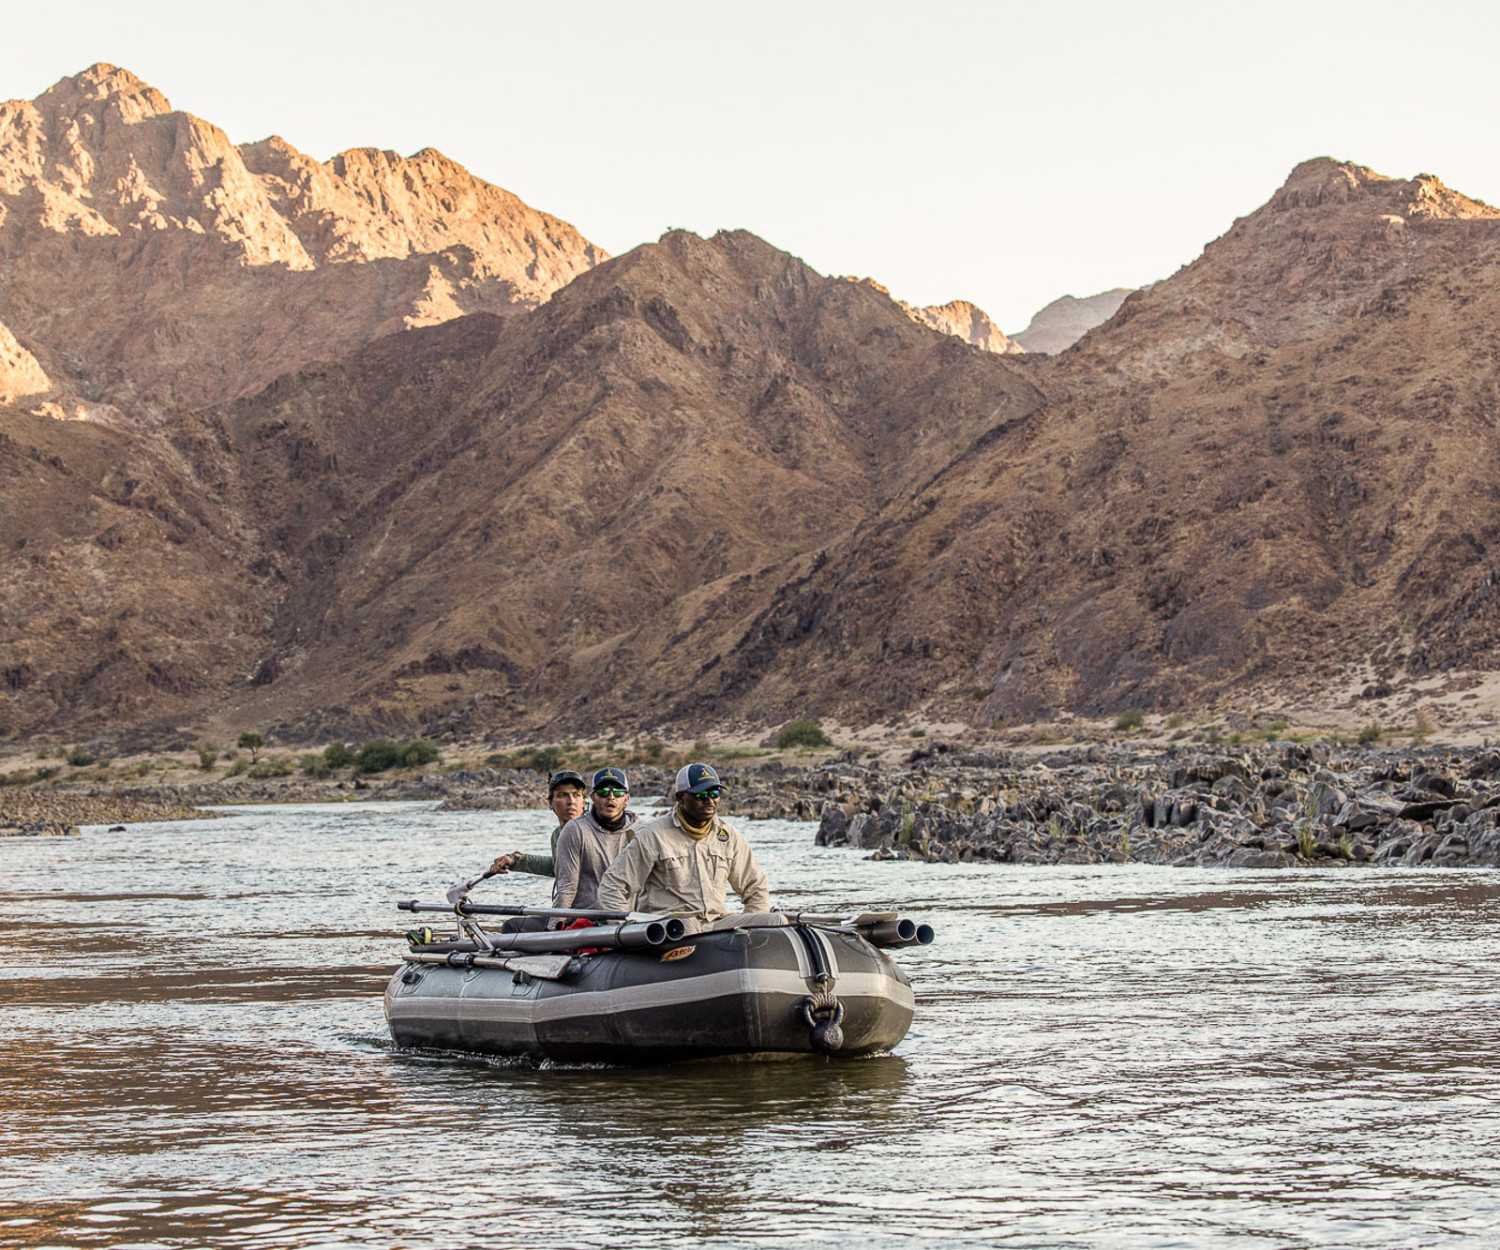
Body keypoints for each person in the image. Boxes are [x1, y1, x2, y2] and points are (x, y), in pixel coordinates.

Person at [596, 763, 770, 931]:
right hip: (671, 928)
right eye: (701, 795)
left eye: (715, 793)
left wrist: (752, 934)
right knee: (687, 926)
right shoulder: (651, 835)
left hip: (716, 925)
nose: (709, 800)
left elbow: (756, 888)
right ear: (680, 797)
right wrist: (629, 931)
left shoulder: (729, 835)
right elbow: (612, 887)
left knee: (774, 920)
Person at [553, 767, 640, 910]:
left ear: (626, 798)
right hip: (586, 920)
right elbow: (566, 888)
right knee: (513, 926)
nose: (611, 797)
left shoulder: (642, 830)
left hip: (631, 920)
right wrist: (555, 925)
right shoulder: (575, 830)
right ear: (593, 797)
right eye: (603, 792)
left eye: (618, 792)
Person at [489, 770, 587, 880]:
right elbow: (557, 867)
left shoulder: (594, 830)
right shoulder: (557, 834)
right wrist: (515, 861)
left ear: (583, 801)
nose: (571, 801)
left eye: (576, 795)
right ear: (551, 803)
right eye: (563, 795)